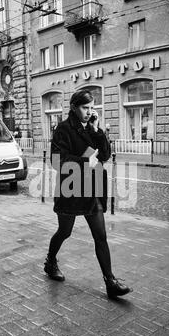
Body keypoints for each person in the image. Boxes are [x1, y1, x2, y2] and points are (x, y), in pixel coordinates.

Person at [44, 89, 132, 299]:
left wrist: (97, 130)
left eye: (92, 108)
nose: (89, 112)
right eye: (85, 108)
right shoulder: (63, 129)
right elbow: (57, 161)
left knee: (101, 236)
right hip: (71, 189)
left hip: (92, 190)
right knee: (65, 232)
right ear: (74, 107)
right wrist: (85, 162)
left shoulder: (92, 127)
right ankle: (50, 261)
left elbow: (106, 155)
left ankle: (110, 282)